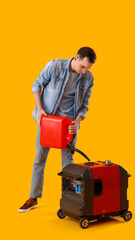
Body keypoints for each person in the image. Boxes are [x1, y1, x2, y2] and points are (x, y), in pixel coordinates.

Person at [18, 47, 96, 213]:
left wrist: (77, 120)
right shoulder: (54, 66)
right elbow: (36, 86)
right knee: (39, 159)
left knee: (68, 164)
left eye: (87, 69)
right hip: (48, 123)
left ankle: (70, 201)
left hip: (69, 126)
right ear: (76, 58)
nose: (84, 72)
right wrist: (40, 110)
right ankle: (33, 197)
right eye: (82, 67)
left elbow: (85, 106)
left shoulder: (88, 78)